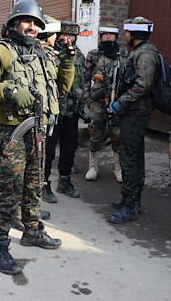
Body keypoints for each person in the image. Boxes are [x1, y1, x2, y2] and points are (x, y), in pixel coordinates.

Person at [0, 0, 75, 275]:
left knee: (34, 184)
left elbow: (62, 87)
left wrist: (67, 61)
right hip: (14, 132)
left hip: (40, 132)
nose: (31, 27)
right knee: (9, 189)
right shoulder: (0, 51)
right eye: (27, 21)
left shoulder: (44, 53)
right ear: (14, 23)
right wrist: (10, 92)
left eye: (36, 23)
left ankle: (32, 230)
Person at [107, 16, 160, 224]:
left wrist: (121, 103)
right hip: (132, 112)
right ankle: (130, 199)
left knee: (130, 159)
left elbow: (143, 85)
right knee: (132, 157)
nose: (125, 36)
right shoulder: (138, 52)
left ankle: (130, 205)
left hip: (136, 113)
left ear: (134, 34)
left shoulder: (145, 54)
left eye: (127, 33)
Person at [42, 19, 86, 203]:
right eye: (65, 35)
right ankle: (43, 184)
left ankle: (65, 181)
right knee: (48, 150)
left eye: (72, 36)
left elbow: (83, 81)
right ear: (58, 36)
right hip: (55, 110)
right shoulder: (51, 53)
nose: (68, 39)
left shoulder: (79, 56)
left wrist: (82, 107)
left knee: (69, 148)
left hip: (72, 111)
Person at [82, 23, 126, 182]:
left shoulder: (122, 55)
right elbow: (85, 78)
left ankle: (118, 168)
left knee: (118, 136)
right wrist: (87, 98)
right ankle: (93, 167)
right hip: (97, 103)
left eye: (111, 34)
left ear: (116, 36)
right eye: (105, 34)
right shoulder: (93, 55)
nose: (108, 37)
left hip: (116, 103)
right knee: (95, 134)